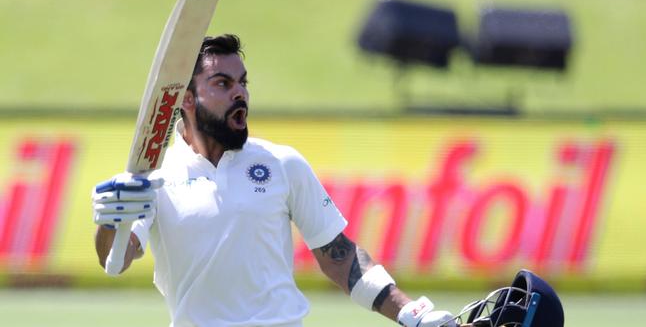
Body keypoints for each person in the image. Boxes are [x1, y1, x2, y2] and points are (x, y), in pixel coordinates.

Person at [92, 34, 457, 327]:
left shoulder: (282, 163)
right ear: (187, 99)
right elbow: (116, 259)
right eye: (222, 83)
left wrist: (412, 313)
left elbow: (341, 259)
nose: (240, 93)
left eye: (243, 83)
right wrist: (111, 222)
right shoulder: (153, 176)